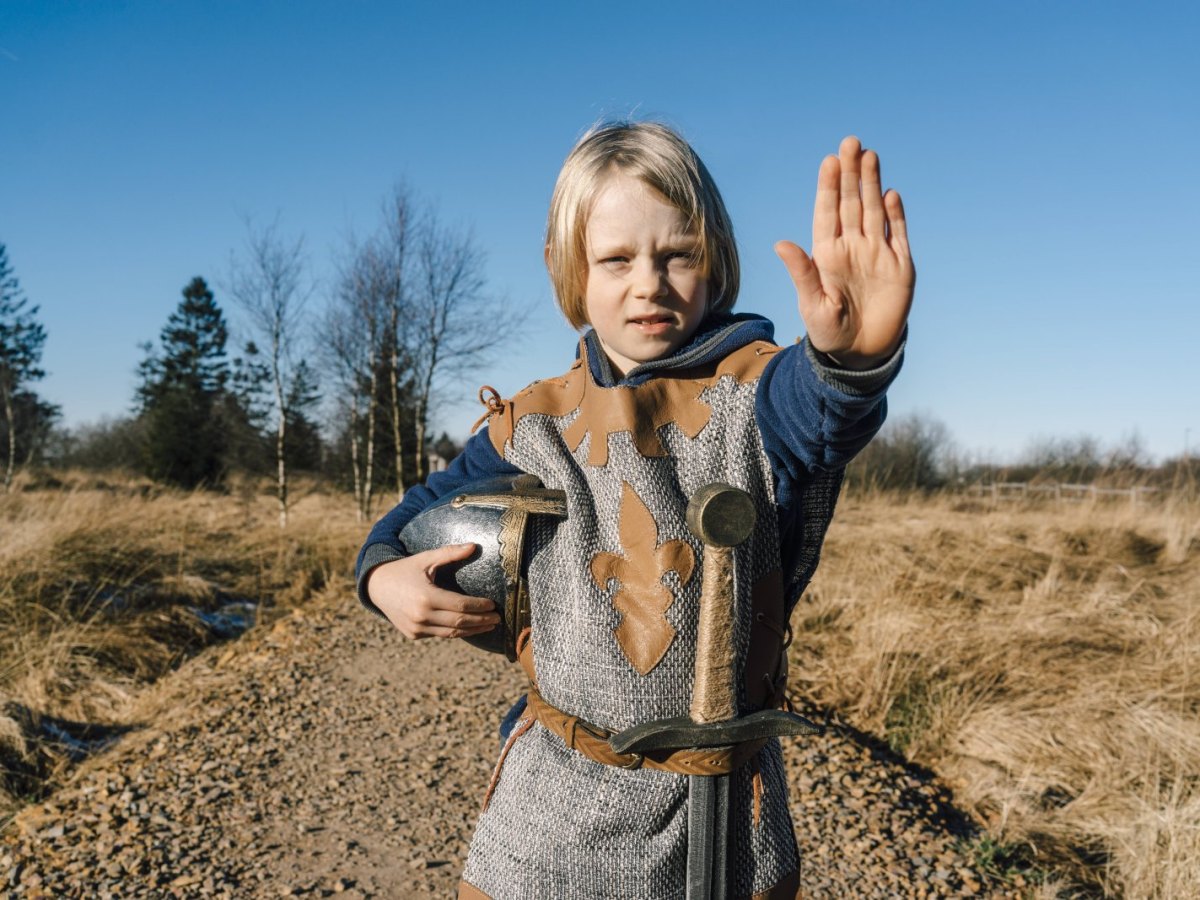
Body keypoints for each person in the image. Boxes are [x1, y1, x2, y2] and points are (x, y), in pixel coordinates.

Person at [355, 121, 914, 899]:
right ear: (569, 272)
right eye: (616, 259)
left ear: (714, 258)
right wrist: (385, 580)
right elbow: (404, 520)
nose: (648, 282)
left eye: (677, 254)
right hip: (550, 821)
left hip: (721, 828)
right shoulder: (534, 423)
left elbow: (822, 414)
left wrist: (851, 362)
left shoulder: (758, 397)